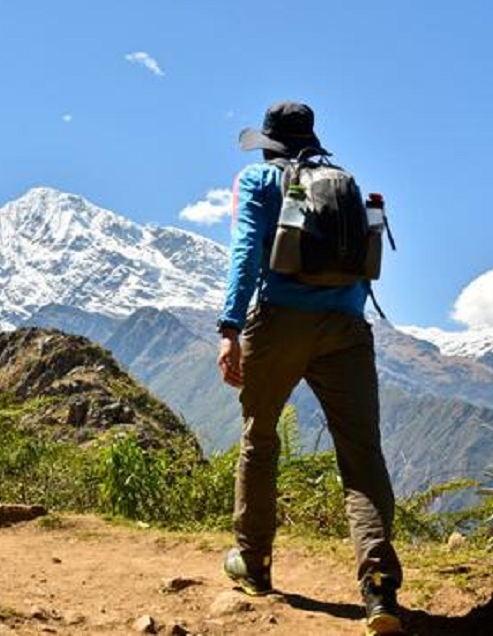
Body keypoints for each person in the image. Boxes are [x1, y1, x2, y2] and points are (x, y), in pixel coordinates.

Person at [216, 101, 405, 635]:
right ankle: (379, 588)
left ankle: (254, 564)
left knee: (260, 437)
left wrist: (230, 327)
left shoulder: (258, 178)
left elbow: (247, 252)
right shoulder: (343, 180)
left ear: (269, 143)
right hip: (346, 326)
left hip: (279, 322)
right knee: (361, 454)